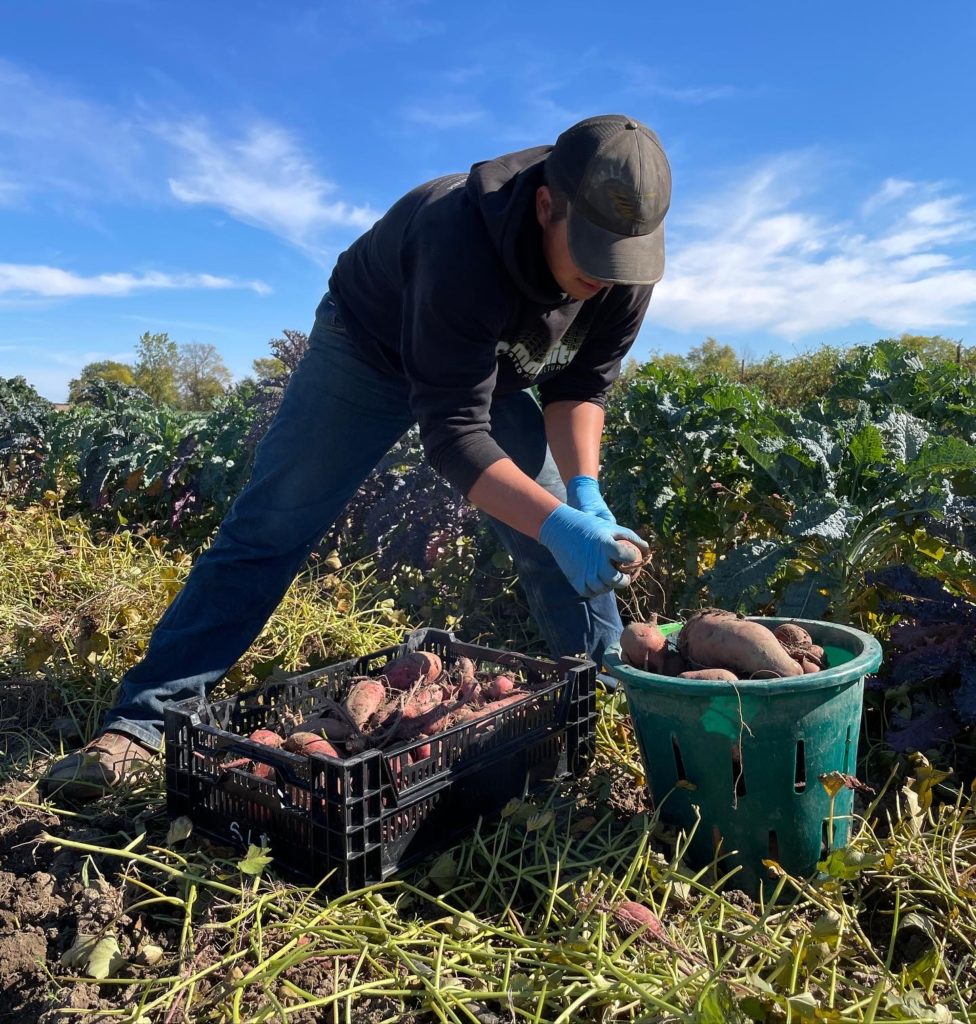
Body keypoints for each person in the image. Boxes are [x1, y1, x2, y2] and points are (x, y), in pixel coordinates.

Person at [43, 113, 671, 800]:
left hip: (483, 373)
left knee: (566, 541)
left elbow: (578, 388)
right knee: (272, 528)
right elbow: (456, 435)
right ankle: (142, 723)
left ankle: (606, 700)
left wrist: (582, 494)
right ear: (547, 206)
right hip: (367, 350)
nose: (604, 281)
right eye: (589, 258)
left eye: (620, 264)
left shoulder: (622, 265)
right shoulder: (457, 234)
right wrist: (554, 520)